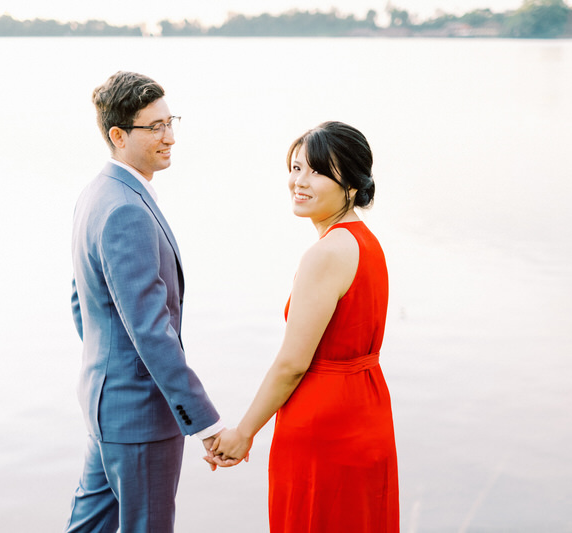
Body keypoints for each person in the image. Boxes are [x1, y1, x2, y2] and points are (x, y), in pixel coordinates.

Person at [209, 121, 400, 532]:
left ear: (350, 183)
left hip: (323, 426)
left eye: (316, 171)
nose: (299, 181)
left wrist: (244, 432)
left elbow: (292, 363)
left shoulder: (325, 254)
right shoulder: (366, 242)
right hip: (367, 412)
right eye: (295, 168)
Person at [65, 71, 225, 533]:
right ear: (117, 135)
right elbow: (151, 330)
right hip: (138, 416)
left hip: (104, 403)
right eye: (153, 127)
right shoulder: (126, 209)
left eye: (169, 122)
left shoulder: (97, 193)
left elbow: (82, 301)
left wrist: (109, 366)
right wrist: (205, 422)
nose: (169, 136)